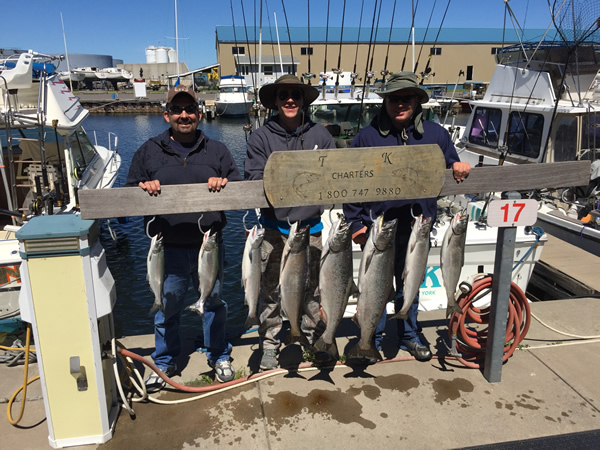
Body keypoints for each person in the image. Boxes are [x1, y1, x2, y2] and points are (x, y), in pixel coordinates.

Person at [343, 72, 471, 361]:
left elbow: (451, 163)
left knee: (410, 283)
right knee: (374, 287)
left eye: (406, 99)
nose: (399, 104)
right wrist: (355, 224)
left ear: (417, 101)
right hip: (378, 229)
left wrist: (459, 165)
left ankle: (410, 335)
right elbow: (350, 183)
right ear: (385, 101)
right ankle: (370, 339)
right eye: (393, 99)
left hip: (418, 228)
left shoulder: (436, 134)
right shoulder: (367, 136)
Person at [126, 85, 242, 390]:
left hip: (210, 247)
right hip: (168, 249)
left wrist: (224, 183)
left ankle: (219, 355)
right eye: (177, 110)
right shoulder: (148, 150)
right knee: (167, 307)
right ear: (166, 115)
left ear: (199, 114)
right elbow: (128, 191)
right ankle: (164, 361)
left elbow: (238, 188)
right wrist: (143, 186)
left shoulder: (217, 150)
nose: (184, 115)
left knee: (214, 304)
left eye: (189, 109)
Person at [244, 74, 336, 370]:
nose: (290, 100)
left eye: (295, 94)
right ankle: (270, 341)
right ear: (275, 101)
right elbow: (255, 178)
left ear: (303, 99)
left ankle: (311, 337)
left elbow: (334, 175)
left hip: (312, 229)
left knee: (313, 289)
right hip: (273, 229)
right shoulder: (260, 137)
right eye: (284, 95)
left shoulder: (321, 135)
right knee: (269, 290)